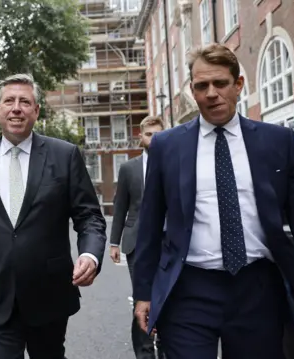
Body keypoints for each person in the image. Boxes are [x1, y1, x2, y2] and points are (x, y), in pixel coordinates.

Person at [133, 43, 294, 359]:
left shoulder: (278, 142)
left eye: (220, 83)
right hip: (189, 289)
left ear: (238, 84)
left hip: (258, 289)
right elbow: (149, 224)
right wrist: (143, 293)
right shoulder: (167, 146)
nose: (211, 93)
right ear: (192, 90)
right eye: (202, 86)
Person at [0, 73, 107, 359]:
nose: (16, 108)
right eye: (9, 101)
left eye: (25, 102)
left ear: (36, 111)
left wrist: (90, 254)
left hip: (48, 294)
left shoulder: (64, 155)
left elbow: (89, 216)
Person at [110, 116, 165, 359]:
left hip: (168, 243)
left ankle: (166, 348)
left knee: (167, 298)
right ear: (140, 137)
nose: (154, 139)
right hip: (136, 244)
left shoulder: (172, 164)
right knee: (142, 298)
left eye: (159, 134)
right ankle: (144, 353)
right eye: (149, 134)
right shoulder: (128, 169)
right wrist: (114, 242)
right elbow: (120, 206)